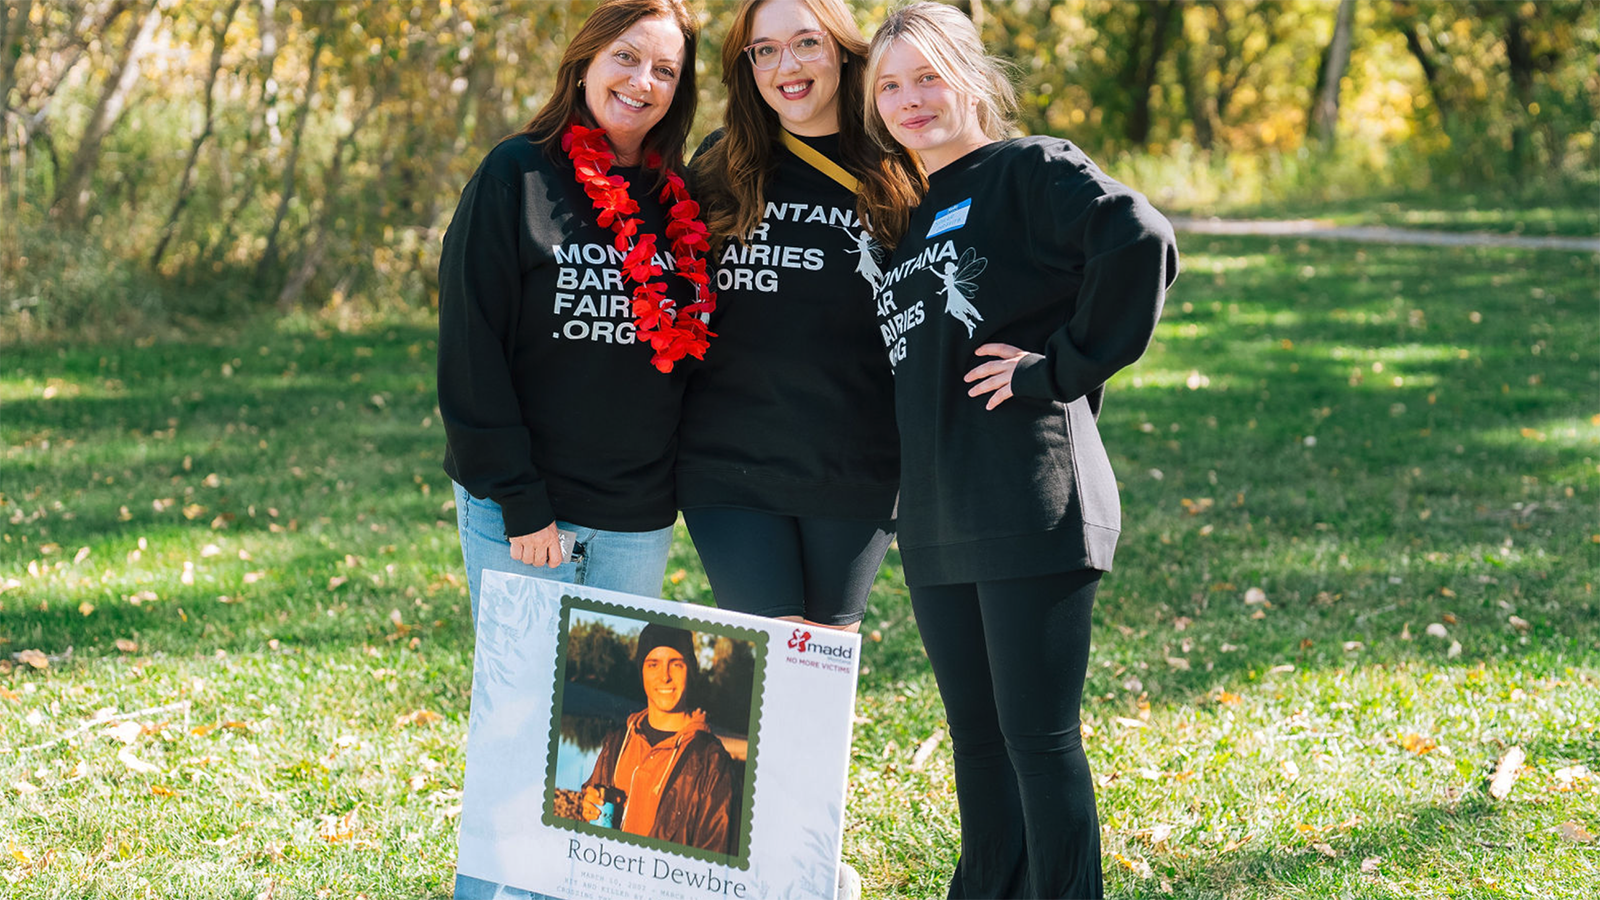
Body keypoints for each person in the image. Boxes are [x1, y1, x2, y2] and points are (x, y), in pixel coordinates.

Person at [862, 5, 1180, 899]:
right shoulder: (905, 216)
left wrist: (1061, 370)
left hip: (1030, 495)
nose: (910, 99)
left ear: (972, 77)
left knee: (1037, 742)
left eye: (927, 76)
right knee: (977, 745)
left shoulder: (1028, 169)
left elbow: (1139, 238)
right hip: (936, 516)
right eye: (889, 85)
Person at [437, 0, 713, 619]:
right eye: (626, 57)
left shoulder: (683, 202)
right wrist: (521, 502)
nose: (643, 82)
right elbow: (470, 348)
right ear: (585, 61)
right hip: (524, 508)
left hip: (636, 518)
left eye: (665, 70)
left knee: (610, 712)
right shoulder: (517, 174)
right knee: (522, 709)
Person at [676, 0, 923, 638]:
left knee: (824, 657)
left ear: (843, 49)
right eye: (764, 50)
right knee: (774, 652)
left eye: (807, 43)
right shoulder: (719, 164)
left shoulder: (900, 163)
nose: (786, 65)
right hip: (728, 459)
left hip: (856, 458)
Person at [579, 623, 736, 854]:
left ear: (690, 670)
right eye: (653, 664)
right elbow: (590, 810)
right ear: (641, 670)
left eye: (676, 664)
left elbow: (715, 858)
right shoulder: (618, 741)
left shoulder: (712, 762)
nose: (665, 676)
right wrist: (588, 806)